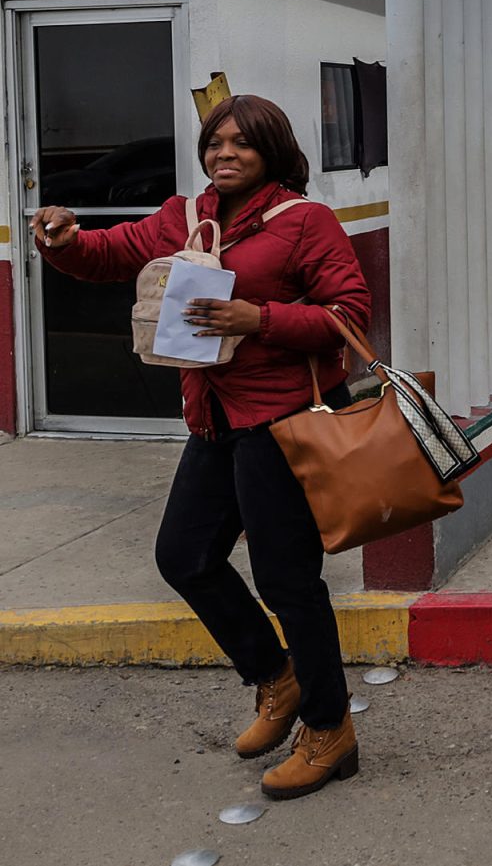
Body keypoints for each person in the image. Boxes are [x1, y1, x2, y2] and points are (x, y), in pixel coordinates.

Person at [31, 95, 371, 800]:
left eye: (243, 144)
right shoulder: (184, 217)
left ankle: (330, 728)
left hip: (284, 421)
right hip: (214, 417)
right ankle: (276, 676)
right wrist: (62, 240)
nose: (225, 154)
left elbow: (349, 315)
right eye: (216, 142)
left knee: (287, 580)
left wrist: (261, 317)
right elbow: (110, 252)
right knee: (182, 556)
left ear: (271, 151)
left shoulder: (304, 221)